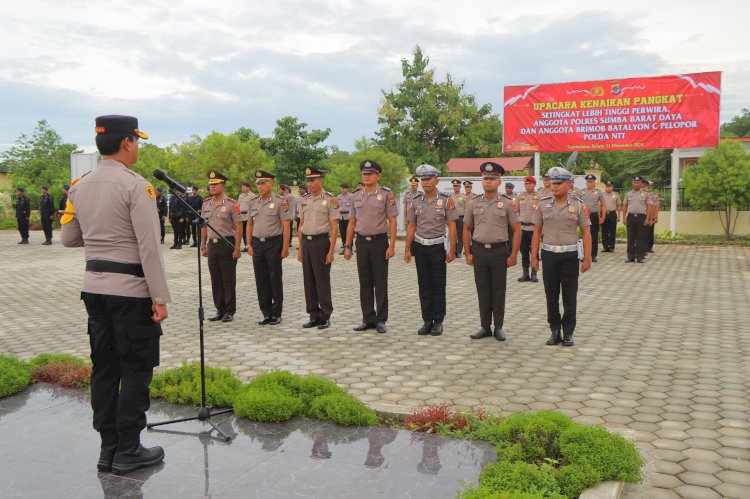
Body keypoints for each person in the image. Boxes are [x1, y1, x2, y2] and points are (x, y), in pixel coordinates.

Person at [60, 115, 168, 474]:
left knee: (104, 368)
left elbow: (69, 238)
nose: (137, 147)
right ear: (126, 143)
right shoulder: (137, 187)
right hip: (132, 293)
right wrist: (159, 297)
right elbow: (149, 246)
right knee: (136, 367)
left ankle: (108, 449)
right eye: (136, 141)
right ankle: (129, 449)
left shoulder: (79, 185)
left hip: (93, 290)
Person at [531, 166, 592, 347]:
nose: (554, 186)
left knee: (569, 295)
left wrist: (587, 258)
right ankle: (554, 330)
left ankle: (568, 332)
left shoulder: (578, 205)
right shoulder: (542, 204)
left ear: (570, 184)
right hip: (549, 255)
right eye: (553, 182)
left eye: (559, 183)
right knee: (551, 294)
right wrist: (534, 257)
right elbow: (536, 232)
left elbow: (586, 232)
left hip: (570, 256)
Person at [464, 162, 521, 341]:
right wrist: (468, 253)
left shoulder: (507, 203)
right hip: (479, 251)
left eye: (492, 179)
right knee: (482, 289)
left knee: (498, 290)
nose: (488, 182)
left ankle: (499, 327)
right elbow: (466, 228)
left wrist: (513, 255)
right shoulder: (473, 203)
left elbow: (517, 229)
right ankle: (484, 326)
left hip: (498, 252)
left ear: (499, 181)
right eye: (485, 178)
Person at [344, 160, 398, 334]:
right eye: (364, 174)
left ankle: (381, 319)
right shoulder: (355, 196)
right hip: (361, 242)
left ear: (378, 176)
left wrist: (392, 245)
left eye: (370, 174)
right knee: (365, 282)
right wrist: (347, 246)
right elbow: (352, 222)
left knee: (380, 283)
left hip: (379, 242)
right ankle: (368, 318)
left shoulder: (386, 195)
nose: (366, 176)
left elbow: (393, 220)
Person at [404, 164, 458, 336]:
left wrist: (452, 249)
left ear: (437, 180)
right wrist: (407, 249)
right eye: (423, 179)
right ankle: (427, 320)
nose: (425, 183)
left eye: (428, 179)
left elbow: (452, 225)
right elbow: (411, 226)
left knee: (438, 284)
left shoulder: (446, 200)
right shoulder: (415, 201)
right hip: (420, 247)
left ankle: (438, 320)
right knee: (424, 284)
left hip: (437, 247)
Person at [246, 170, 291, 325]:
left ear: (272, 184)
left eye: (263, 183)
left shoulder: (280, 202)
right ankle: (266, 313)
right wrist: (248, 244)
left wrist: (285, 247)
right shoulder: (253, 202)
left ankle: (276, 313)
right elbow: (249, 224)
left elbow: (286, 226)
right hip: (257, 244)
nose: (260, 186)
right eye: (258, 183)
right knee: (261, 280)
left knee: (274, 278)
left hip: (274, 243)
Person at [297, 167, 339, 329]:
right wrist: (300, 249)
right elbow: (301, 224)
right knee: (308, 280)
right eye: (308, 180)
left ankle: (325, 315)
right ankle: (313, 315)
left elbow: (334, 227)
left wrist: (331, 251)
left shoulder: (330, 199)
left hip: (321, 243)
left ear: (321, 180)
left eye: (312, 180)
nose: (309, 183)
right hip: (306, 243)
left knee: (322, 280)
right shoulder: (304, 199)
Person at [200, 170, 243, 322]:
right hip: (212, 245)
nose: (212, 187)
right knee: (215, 279)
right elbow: (204, 226)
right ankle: (220, 309)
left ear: (223, 186)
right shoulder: (206, 203)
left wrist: (237, 248)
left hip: (227, 244)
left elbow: (238, 227)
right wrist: (203, 246)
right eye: (211, 184)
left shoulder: (232, 204)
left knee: (228, 279)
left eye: (216, 184)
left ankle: (230, 310)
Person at [622, 175, 654, 263]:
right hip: (631, 217)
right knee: (630, 238)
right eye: (635, 182)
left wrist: (648, 218)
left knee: (641, 238)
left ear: (641, 183)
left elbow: (649, 206)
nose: (636, 184)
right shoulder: (628, 194)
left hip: (641, 217)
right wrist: (624, 218)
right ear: (632, 183)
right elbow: (624, 206)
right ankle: (630, 257)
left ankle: (640, 257)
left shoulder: (646, 194)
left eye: (638, 182)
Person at [516, 175, 541, 282]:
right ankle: (525, 273)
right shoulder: (520, 197)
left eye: (529, 183)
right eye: (525, 184)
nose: (527, 186)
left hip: (534, 229)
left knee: (534, 252)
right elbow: (515, 211)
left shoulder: (539, 197)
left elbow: (542, 213)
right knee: (524, 251)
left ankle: (534, 273)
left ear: (534, 184)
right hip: (522, 228)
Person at [579, 174, 605, 262]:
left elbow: (603, 205)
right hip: (583, 216)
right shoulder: (581, 192)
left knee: (594, 236)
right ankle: (584, 254)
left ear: (594, 182)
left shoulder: (598, 192)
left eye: (592, 181)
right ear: (586, 183)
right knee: (583, 235)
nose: (590, 183)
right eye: (588, 182)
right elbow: (578, 204)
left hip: (593, 215)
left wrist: (602, 217)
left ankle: (593, 255)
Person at [600, 181, 620, 252]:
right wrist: (600, 216)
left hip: (612, 214)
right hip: (604, 214)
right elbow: (600, 206)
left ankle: (611, 247)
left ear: (612, 187)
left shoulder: (616, 195)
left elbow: (618, 206)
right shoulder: (601, 195)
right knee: (604, 230)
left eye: (610, 186)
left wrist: (619, 216)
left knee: (612, 231)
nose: (608, 188)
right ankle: (605, 247)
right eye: (607, 186)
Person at [237, 182, 256, 252]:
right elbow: (238, 205)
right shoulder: (241, 195)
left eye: (244, 186)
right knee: (243, 232)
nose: (243, 188)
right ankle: (246, 245)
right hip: (241, 216)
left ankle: (251, 245)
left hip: (249, 215)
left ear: (248, 187)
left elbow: (254, 206)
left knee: (249, 231)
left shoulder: (252, 195)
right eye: (242, 187)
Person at [450, 179, 467, 257]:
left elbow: (467, 208)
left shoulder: (463, 197)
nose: (455, 187)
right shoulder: (451, 196)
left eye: (457, 186)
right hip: (452, 218)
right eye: (454, 186)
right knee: (453, 235)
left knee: (460, 235)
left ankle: (459, 252)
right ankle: (454, 251)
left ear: (460, 187)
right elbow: (449, 208)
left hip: (461, 218)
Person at [644, 180, 659, 253]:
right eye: (645, 187)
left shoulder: (655, 196)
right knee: (643, 232)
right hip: (644, 216)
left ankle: (649, 247)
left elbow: (656, 207)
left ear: (651, 188)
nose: (647, 188)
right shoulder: (642, 195)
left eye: (648, 187)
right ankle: (643, 247)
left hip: (651, 217)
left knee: (650, 232)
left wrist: (655, 217)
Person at [337, 183, 352, 255]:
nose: (342, 190)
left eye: (344, 188)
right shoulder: (338, 197)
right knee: (342, 233)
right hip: (341, 217)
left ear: (347, 189)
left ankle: (350, 248)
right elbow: (336, 207)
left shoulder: (351, 196)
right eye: (341, 188)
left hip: (348, 217)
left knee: (349, 233)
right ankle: (344, 247)